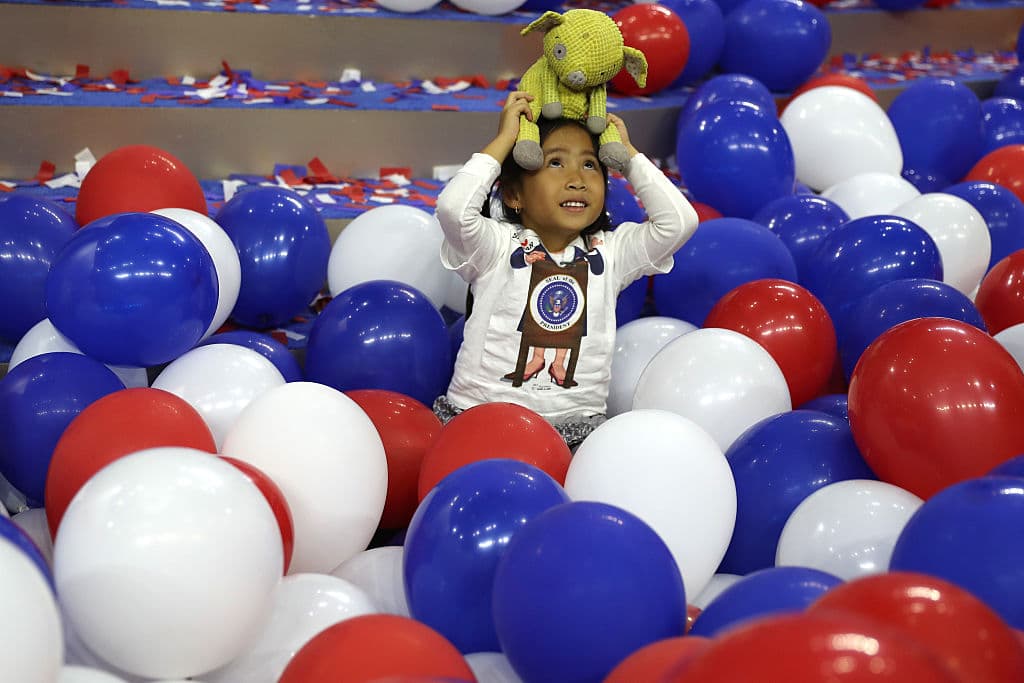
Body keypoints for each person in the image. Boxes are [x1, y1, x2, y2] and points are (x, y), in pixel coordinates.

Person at [433, 91, 699, 447]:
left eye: (590, 164)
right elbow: (453, 209)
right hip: (481, 416)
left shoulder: (611, 251)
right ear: (514, 195)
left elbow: (679, 222)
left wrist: (629, 156)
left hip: (574, 430)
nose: (577, 178)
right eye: (555, 163)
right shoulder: (496, 245)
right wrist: (503, 142)